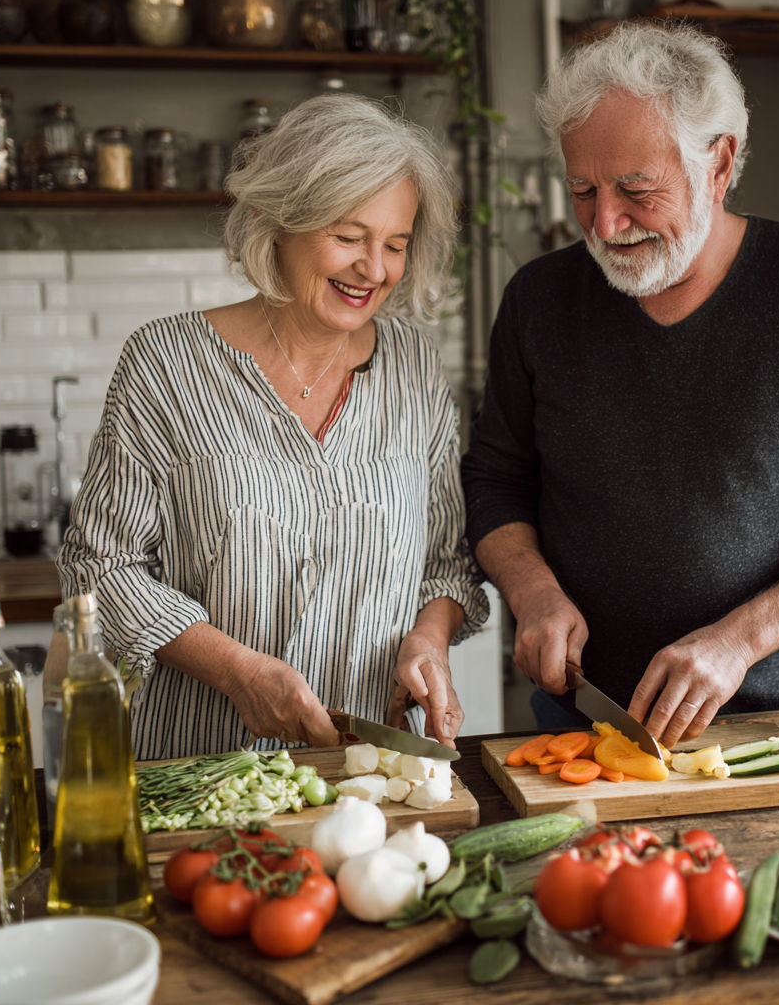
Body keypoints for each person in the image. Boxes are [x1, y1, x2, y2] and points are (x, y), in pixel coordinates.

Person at [461, 22, 779, 748]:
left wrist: (739, 641)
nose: (605, 223)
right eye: (582, 189)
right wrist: (533, 591)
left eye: (637, 191)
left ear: (720, 163)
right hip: (582, 718)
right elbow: (494, 479)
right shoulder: (538, 300)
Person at [59, 94, 488, 761]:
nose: (374, 270)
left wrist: (429, 639)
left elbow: (444, 563)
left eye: (395, 245)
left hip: (366, 775)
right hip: (202, 772)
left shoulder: (414, 368)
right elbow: (100, 567)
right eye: (348, 237)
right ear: (278, 220)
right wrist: (240, 672)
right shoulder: (165, 363)